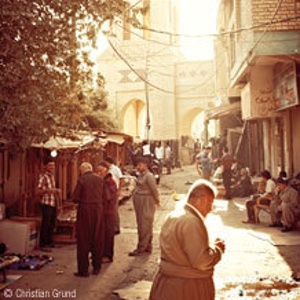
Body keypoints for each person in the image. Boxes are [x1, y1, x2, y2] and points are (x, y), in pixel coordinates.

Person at [149, 179, 226, 300]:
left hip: (167, 286)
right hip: (186, 289)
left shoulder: (173, 215)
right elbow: (201, 261)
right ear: (201, 200)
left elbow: (181, 251)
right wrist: (217, 250)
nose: (210, 209)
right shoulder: (191, 222)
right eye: (211, 203)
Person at [71, 162, 104, 277]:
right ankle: (97, 267)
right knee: (97, 238)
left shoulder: (82, 180)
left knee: (83, 240)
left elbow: (75, 198)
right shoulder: (100, 180)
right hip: (98, 210)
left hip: (85, 210)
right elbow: (105, 196)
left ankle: (83, 270)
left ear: (82, 170)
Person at [129, 157, 160, 256]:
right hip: (140, 200)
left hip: (146, 201)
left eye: (140, 165)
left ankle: (141, 247)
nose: (138, 167)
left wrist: (157, 200)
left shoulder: (149, 176)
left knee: (145, 224)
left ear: (145, 165)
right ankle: (147, 246)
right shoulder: (142, 175)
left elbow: (154, 190)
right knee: (143, 224)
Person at [36, 160, 60, 252]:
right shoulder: (43, 177)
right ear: (45, 166)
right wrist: (49, 191)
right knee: (45, 224)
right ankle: (43, 244)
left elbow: (53, 190)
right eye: (50, 166)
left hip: (53, 203)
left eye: (53, 166)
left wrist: (56, 192)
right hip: (46, 203)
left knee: (52, 224)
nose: (52, 168)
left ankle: (49, 242)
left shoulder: (52, 177)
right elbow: (37, 191)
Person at [96, 162, 118, 263]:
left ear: (106, 170)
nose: (99, 173)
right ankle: (100, 254)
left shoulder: (110, 182)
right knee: (101, 234)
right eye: (97, 171)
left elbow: (108, 196)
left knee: (108, 234)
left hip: (108, 212)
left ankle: (108, 256)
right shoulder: (102, 181)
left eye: (101, 171)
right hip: (102, 212)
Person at [104, 156, 123, 234]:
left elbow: (121, 179)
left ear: (108, 162)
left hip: (114, 191)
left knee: (114, 210)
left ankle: (116, 228)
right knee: (111, 210)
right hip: (109, 192)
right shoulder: (108, 170)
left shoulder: (116, 169)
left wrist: (119, 190)